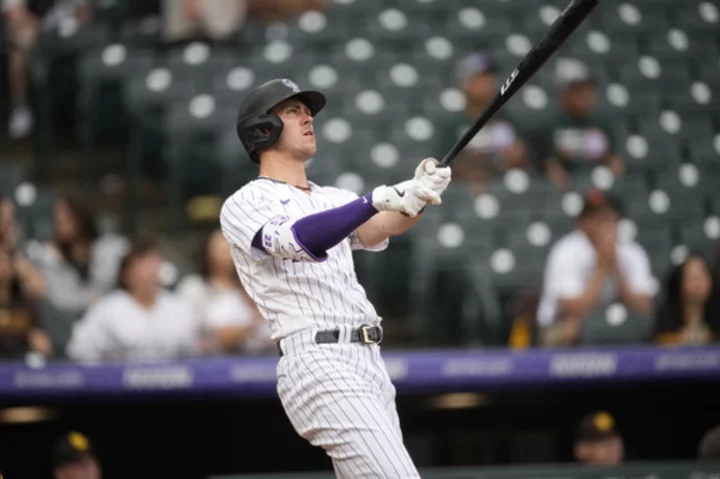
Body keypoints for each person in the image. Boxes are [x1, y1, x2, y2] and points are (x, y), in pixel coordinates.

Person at [219, 78, 451, 478]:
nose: (308, 116)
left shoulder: (333, 197)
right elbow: (299, 238)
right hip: (318, 360)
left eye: (307, 110)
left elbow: (384, 226)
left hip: (368, 361)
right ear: (263, 128)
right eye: (293, 110)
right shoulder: (244, 202)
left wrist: (417, 197)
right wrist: (373, 200)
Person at [536, 189, 654, 346]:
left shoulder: (632, 251)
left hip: (611, 322)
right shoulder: (566, 251)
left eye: (610, 218)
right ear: (583, 223)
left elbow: (644, 307)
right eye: (598, 218)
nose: (606, 224)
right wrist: (601, 266)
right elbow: (574, 310)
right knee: (571, 329)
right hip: (560, 324)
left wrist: (616, 266)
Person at [66, 238, 199, 362]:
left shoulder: (179, 308)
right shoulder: (107, 308)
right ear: (125, 273)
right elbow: (78, 351)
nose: (151, 269)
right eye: (143, 263)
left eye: (155, 262)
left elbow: (193, 355)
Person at [439, 52, 528, 197]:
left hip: (508, 192)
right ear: (464, 83)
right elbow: (443, 169)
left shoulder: (508, 120)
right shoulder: (452, 125)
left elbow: (523, 160)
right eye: (480, 78)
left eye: (489, 78)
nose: (487, 83)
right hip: (464, 195)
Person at [2, 0, 93, 139]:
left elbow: (85, 13)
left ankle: (84, 109)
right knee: (20, 47)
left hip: (69, 37)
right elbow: (14, 15)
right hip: (35, 38)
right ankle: (21, 107)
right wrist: (43, 31)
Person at [176, 228, 271, 355]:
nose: (228, 256)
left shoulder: (249, 288)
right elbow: (189, 329)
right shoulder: (193, 286)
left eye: (231, 250)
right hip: (202, 358)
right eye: (222, 251)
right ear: (207, 254)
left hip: (251, 358)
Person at [32, 195, 127, 319]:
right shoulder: (49, 256)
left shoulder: (110, 248)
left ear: (80, 217)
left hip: (111, 319)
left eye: (67, 217)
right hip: (69, 322)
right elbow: (59, 300)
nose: (60, 221)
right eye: (57, 218)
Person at [539, 58, 625, 189]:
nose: (585, 95)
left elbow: (616, 164)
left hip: (600, 188)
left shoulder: (604, 125)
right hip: (565, 192)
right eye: (577, 90)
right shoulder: (548, 126)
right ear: (563, 93)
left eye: (588, 89)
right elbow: (549, 166)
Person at [0, 248, 52, 359]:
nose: (3, 267)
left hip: (21, 362)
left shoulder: (26, 303)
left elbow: (43, 343)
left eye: (6, 262)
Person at [654, 253, 716, 346]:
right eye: (692, 279)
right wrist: (679, 339)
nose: (697, 285)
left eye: (701, 278)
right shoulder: (667, 312)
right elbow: (657, 344)